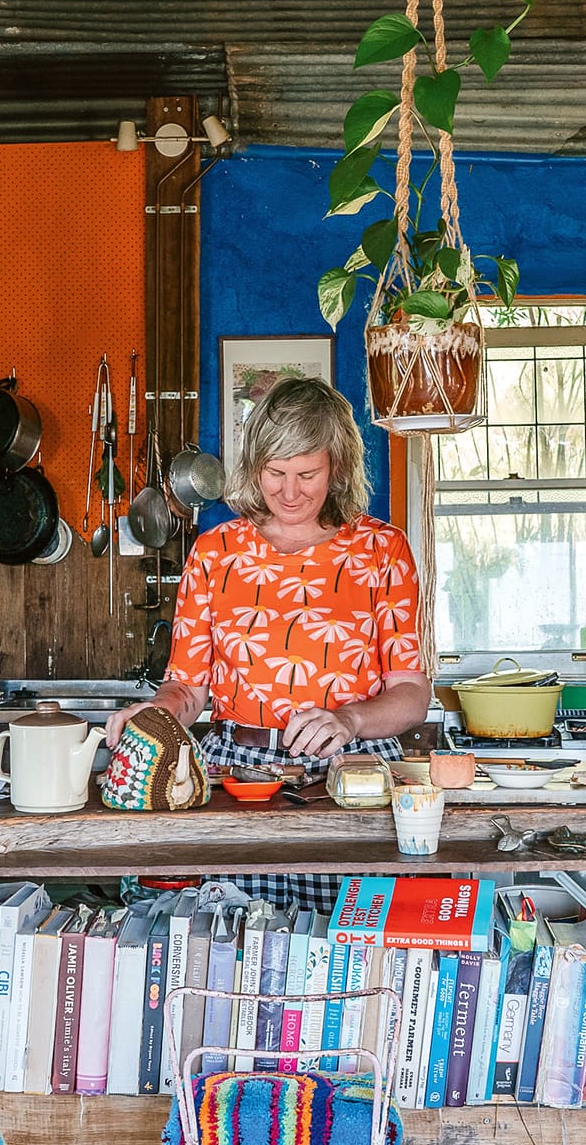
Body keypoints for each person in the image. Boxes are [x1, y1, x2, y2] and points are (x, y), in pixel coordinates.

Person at [106, 378, 431, 909]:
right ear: (255, 466)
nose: (289, 492)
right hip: (236, 773)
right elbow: (188, 686)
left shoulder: (381, 549)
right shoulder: (216, 552)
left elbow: (412, 692)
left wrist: (349, 719)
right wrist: (157, 715)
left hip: (353, 775)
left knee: (354, 938)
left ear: (338, 468)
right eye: (275, 473)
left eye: (307, 474)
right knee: (230, 940)